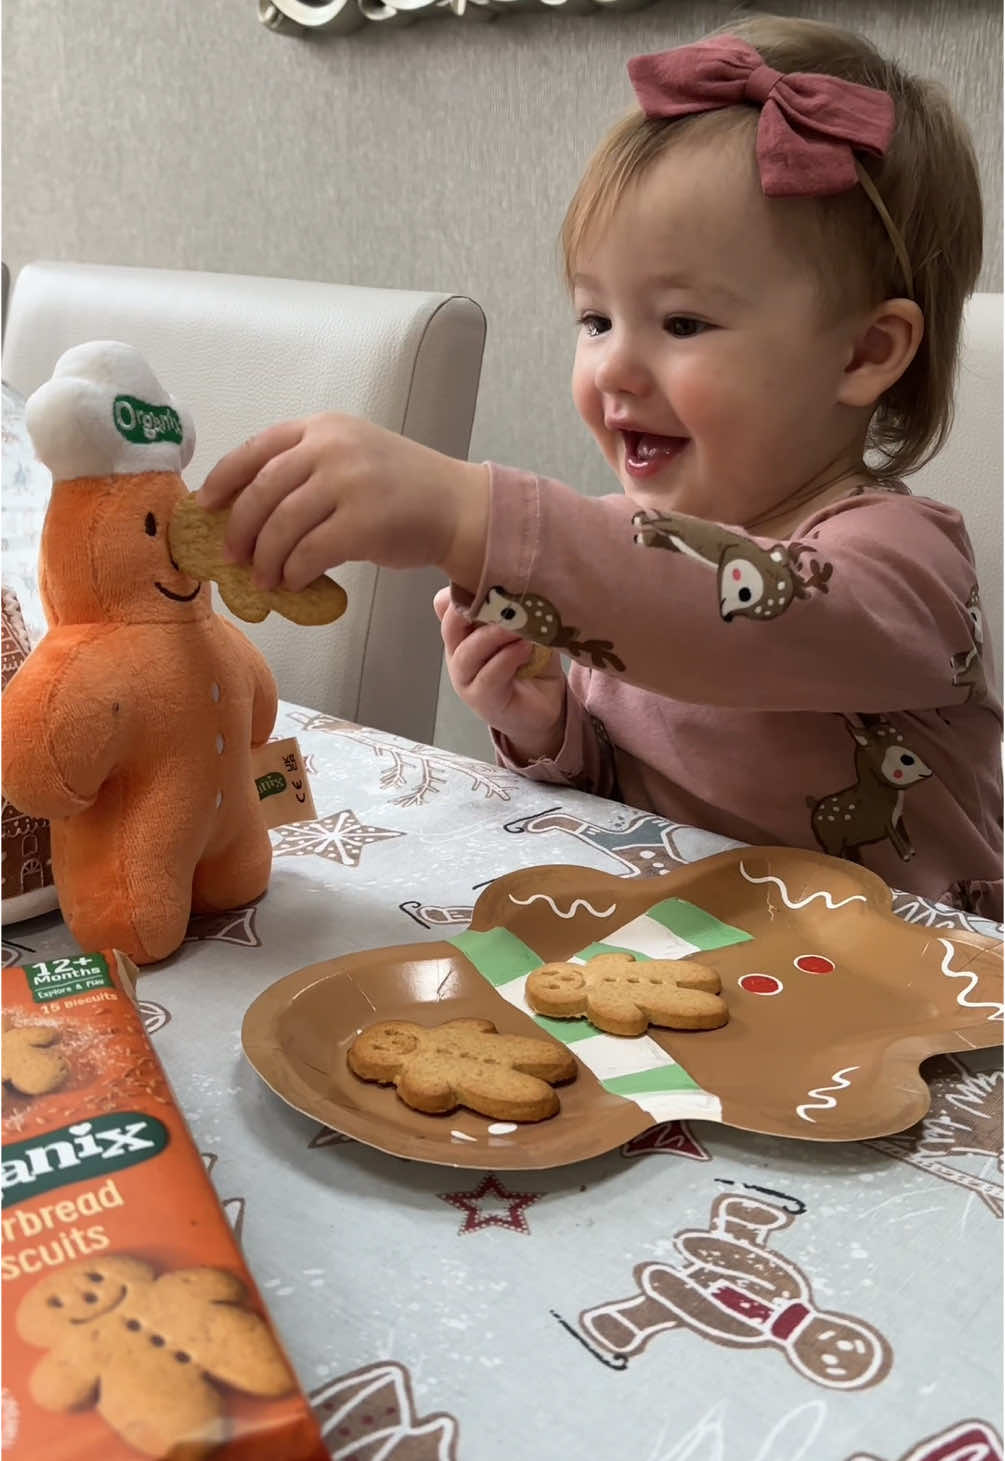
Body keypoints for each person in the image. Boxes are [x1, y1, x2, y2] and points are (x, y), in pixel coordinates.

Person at [198, 16, 1002, 917]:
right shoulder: (618, 575)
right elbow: (645, 796)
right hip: (702, 977)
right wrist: (553, 725)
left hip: (924, 1013)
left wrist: (467, 512)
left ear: (864, 352)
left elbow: (739, 618)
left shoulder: (908, 568)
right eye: (595, 320)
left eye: (683, 323)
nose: (613, 368)